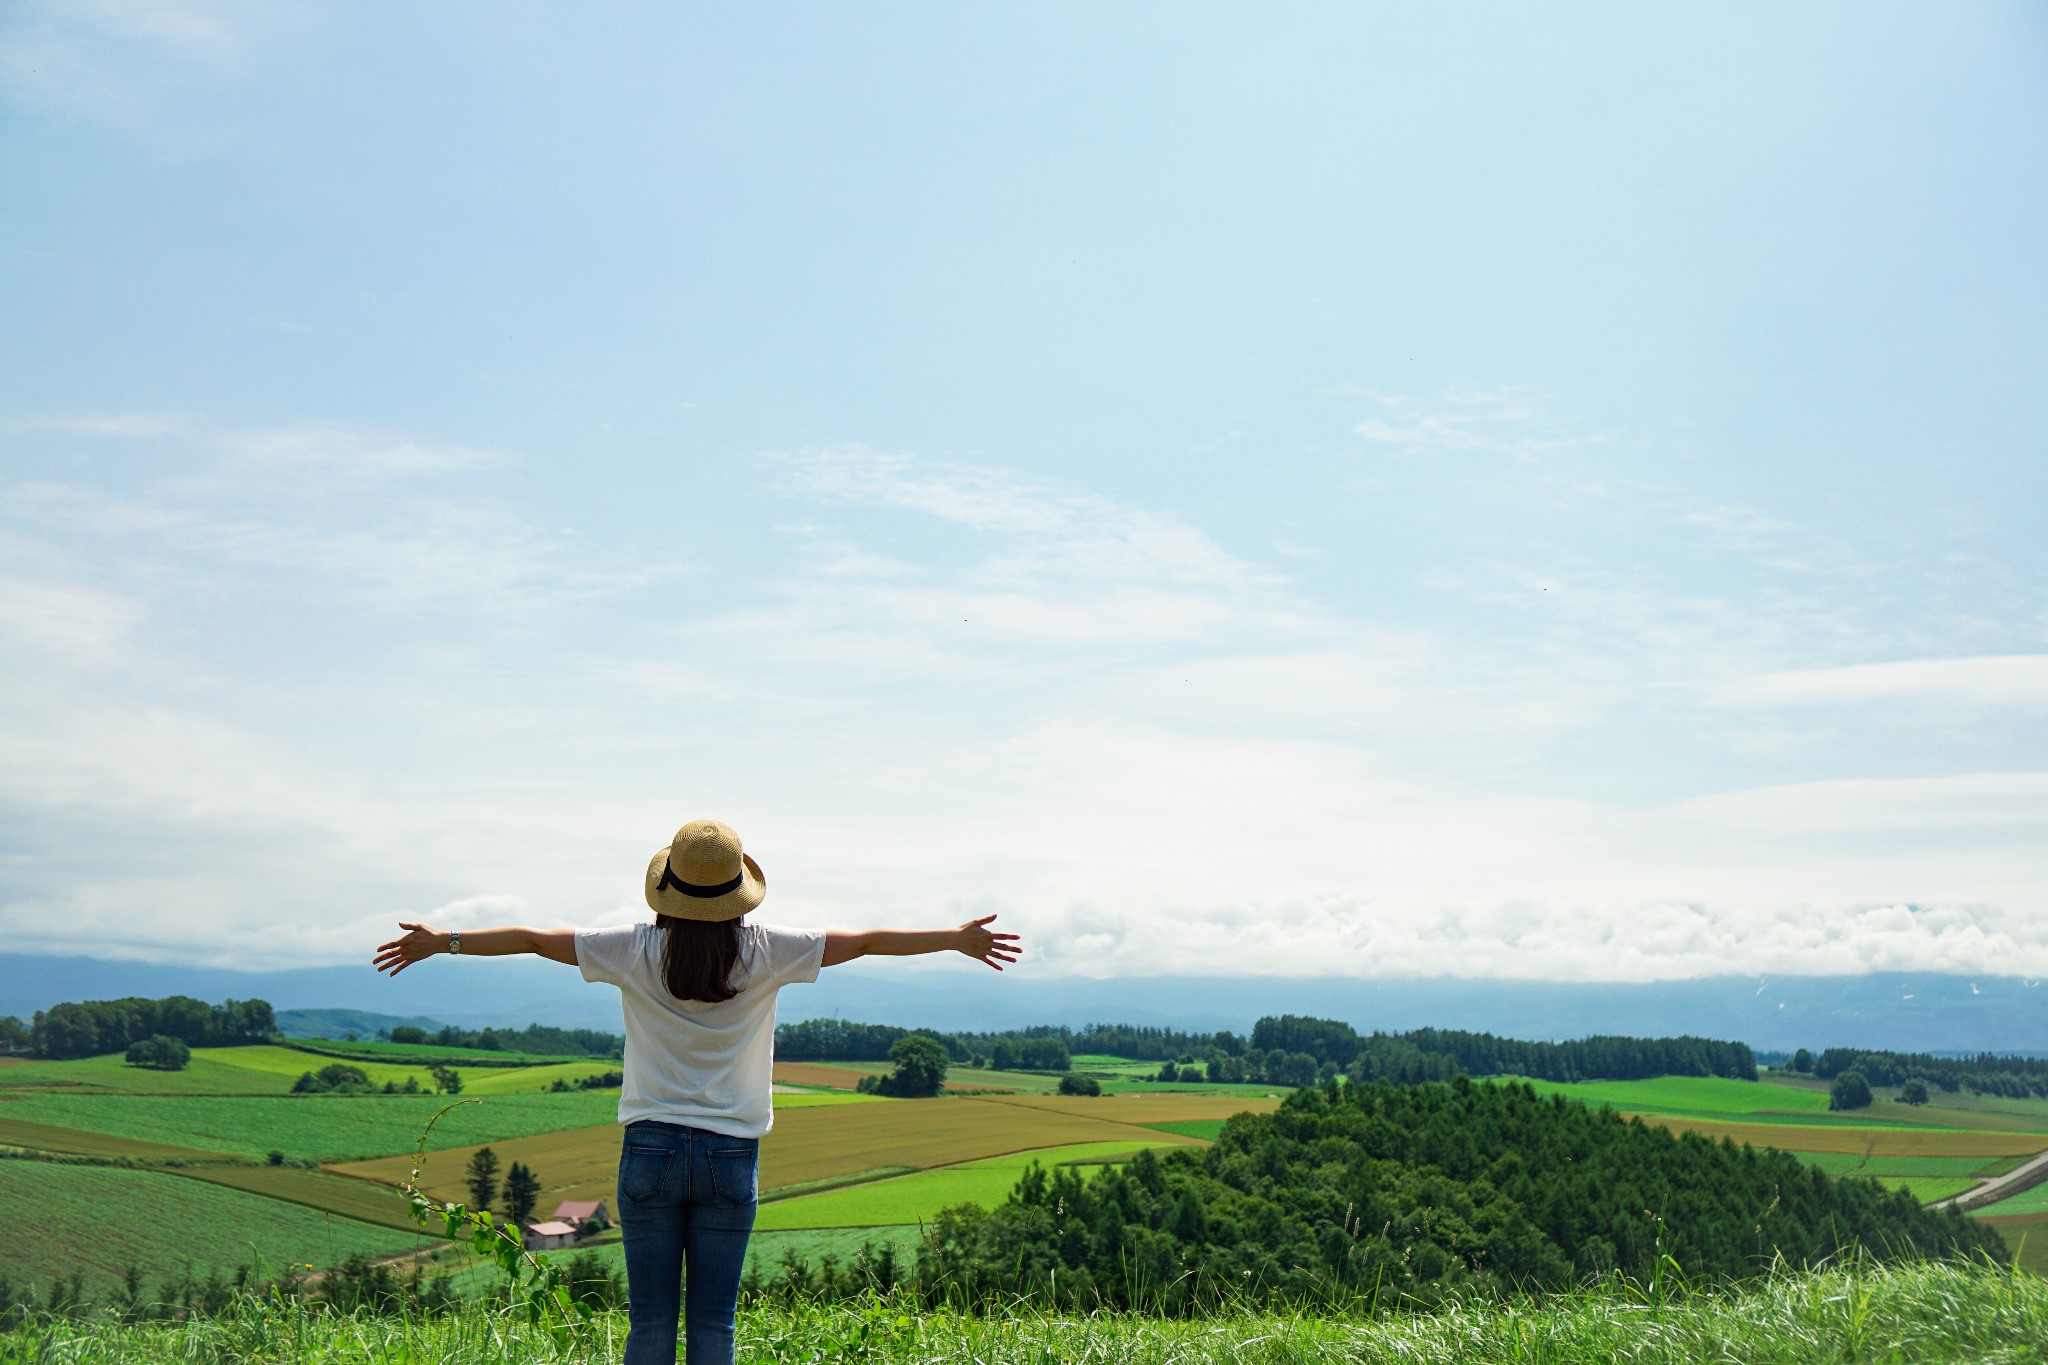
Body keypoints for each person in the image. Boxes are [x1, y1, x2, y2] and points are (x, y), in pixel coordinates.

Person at [373, 818, 1021, 1365]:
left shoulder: (631, 947)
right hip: (730, 1157)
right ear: (739, 894)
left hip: (649, 1149)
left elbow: (536, 939)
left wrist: (444, 942)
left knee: (650, 1324)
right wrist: (955, 939)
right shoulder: (771, 950)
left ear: (666, 888)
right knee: (715, 1323)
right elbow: (870, 940)